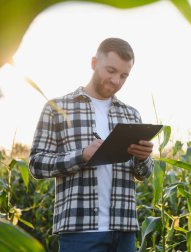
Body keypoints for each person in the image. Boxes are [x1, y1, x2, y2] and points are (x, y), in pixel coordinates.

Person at [29, 37, 154, 252]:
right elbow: (36, 165)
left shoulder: (131, 115)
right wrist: (81, 156)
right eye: (111, 70)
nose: (116, 81)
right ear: (94, 63)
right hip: (79, 231)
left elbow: (143, 174)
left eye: (124, 76)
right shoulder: (57, 108)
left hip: (123, 230)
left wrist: (143, 158)